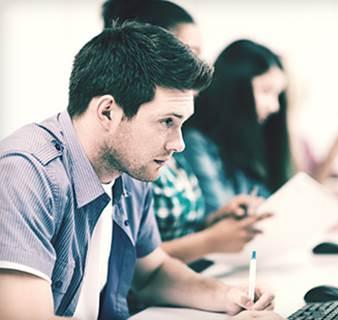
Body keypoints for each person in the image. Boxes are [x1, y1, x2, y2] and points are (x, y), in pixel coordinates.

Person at [0, 22, 283, 320]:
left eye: (182, 124)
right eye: (167, 122)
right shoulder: (23, 175)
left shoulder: (131, 169)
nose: (179, 144)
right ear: (108, 111)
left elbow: (153, 273)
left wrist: (227, 296)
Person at [102, 0, 271, 264]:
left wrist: (215, 221)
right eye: (190, 53)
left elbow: (162, 237)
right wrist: (210, 240)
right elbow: (131, 264)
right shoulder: (128, 153)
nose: (198, 66)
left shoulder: (171, 139)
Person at [184, 39, 291, 213]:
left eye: (277, 95)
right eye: (266, 91)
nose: (275, 107)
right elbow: (221, 213)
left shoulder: (247, 140)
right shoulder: (195, 142)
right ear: (235, 90)